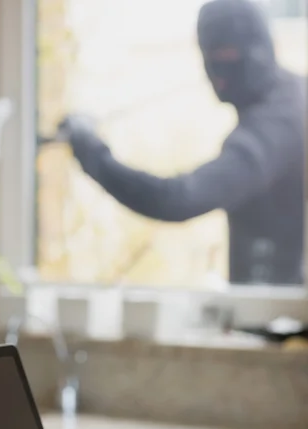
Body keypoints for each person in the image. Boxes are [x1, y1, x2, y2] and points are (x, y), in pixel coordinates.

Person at [59, 0, 306, 285]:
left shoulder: (277, 127)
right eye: (209, 59)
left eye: (225, 58)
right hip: (266, 313)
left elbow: (177, 199)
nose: (217, 77)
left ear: (258, 52)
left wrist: (93, 154)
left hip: (284, 319)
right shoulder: (291, 100)